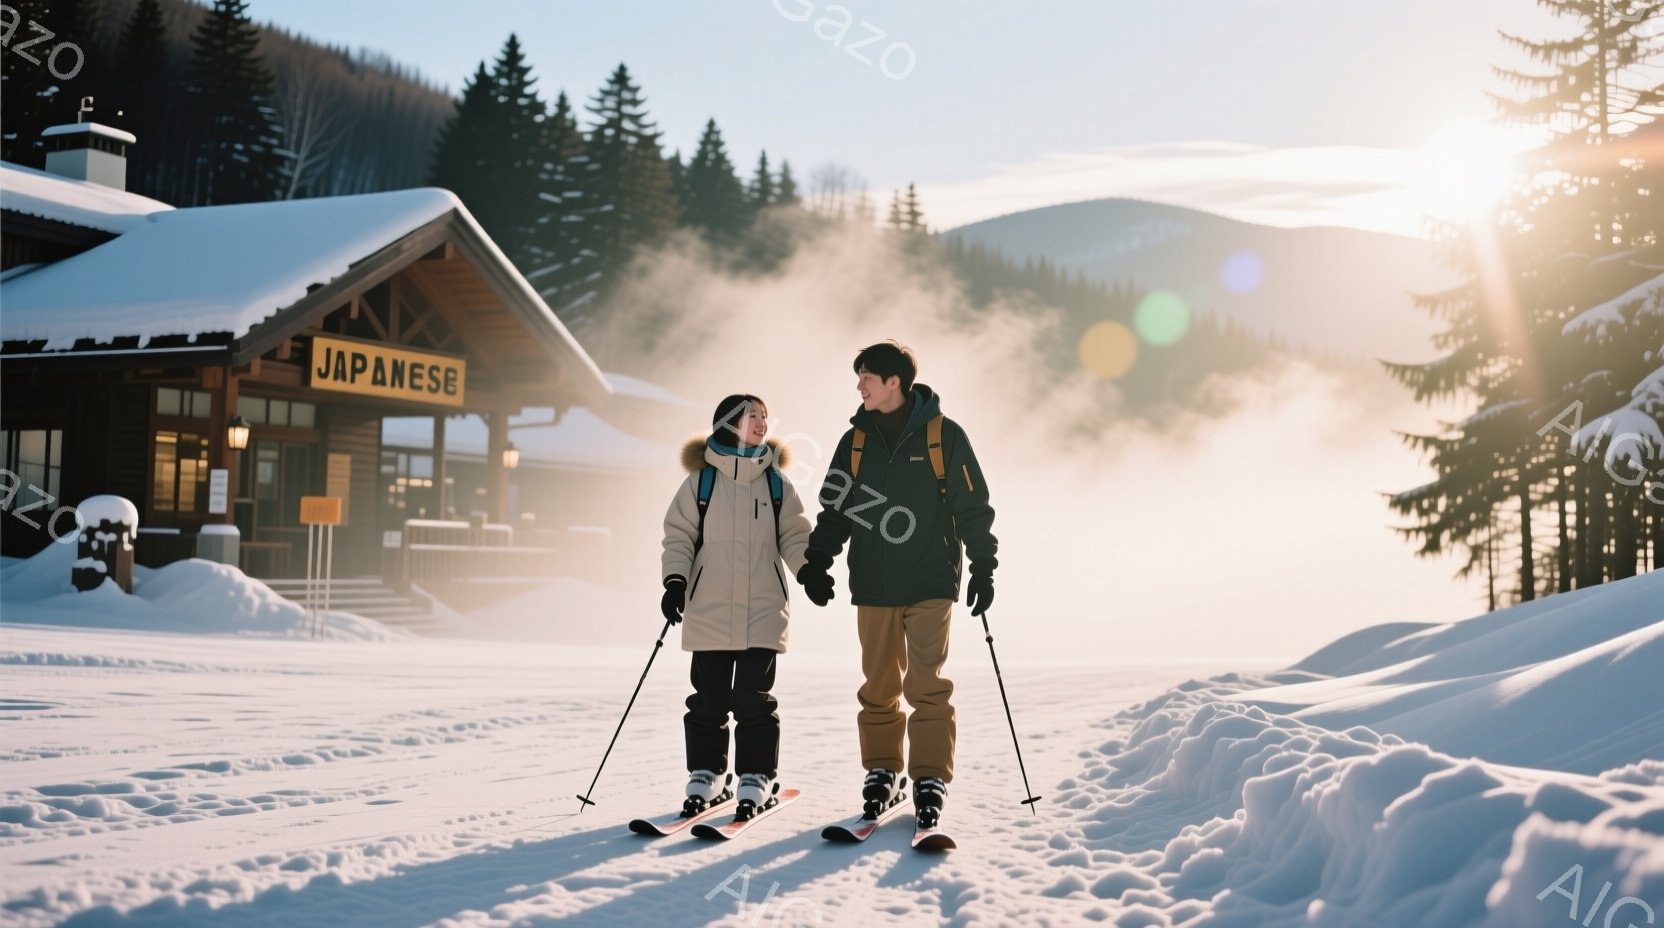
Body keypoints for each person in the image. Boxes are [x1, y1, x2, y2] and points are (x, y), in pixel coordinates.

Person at [796, 342, 998, 829]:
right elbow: (837, 508)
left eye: (867, 376)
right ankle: (884, 771)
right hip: (873, 583)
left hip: (930, 580)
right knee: (880, 686)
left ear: (894, 382)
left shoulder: (943, 436)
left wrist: (983, 566)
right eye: (859, 376)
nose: (859, 384)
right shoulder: (856, 442)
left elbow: (971, 506)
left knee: (927, 684)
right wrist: (818, 559)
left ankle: (929, 776)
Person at [660, 394, 812, 820]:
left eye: (765, 416)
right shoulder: (701, 482)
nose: (762, 423)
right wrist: (675, 582)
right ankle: (707, 774)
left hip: (763, 607)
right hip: (708, 607)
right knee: (707, 698)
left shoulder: (776, 484)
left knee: (753, 699)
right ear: (730, 424)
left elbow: (796, 537)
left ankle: (755, 776)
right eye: (752, 417)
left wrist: (808, 572)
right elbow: (679, 536)